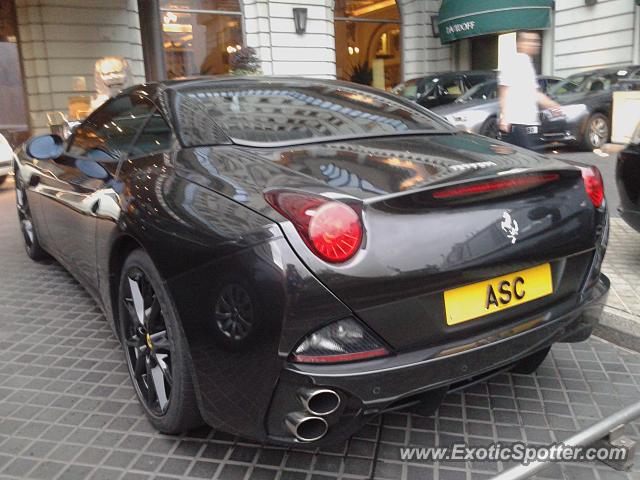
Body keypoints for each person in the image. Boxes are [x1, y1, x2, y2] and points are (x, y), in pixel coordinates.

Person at [498, 31, 560, 150]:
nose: (535, 44)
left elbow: (534, 94)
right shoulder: (515, 61)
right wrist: (504, 119)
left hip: (527, 124)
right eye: (530, 41)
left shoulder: (526, 62)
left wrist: (553, 105)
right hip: (518, 124)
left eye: (537, 41)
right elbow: (504, 90)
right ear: (519, 44)